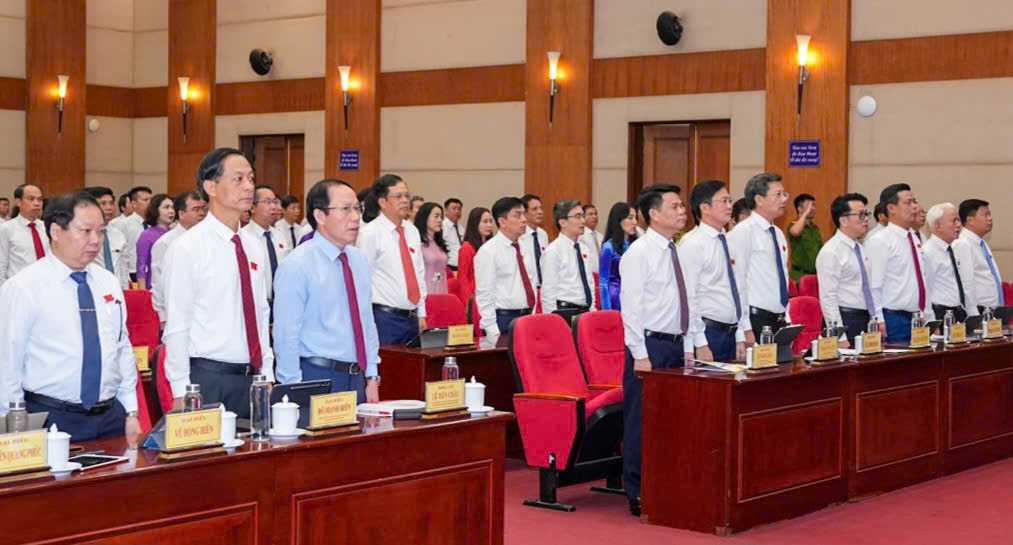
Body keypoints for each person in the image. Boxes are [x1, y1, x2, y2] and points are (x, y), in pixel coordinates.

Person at [0, 191, 140, 442]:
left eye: (100, 231)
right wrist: (15, 427)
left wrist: (131, 410)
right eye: (85, 231)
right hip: (51, 417)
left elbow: (121, 346)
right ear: (56, 231)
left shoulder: (107, 282)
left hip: (111, 416)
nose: (95, 240)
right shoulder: (24, 287)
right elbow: (7, 363)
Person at [163, 148, 274, 417]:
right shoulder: (187, 247)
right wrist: (180, 389)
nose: (248, 187)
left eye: (251, 178)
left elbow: (261, 312)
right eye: (238, 179)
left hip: (252, 377)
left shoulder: (253, 245)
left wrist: (267, 371)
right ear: (211, 187)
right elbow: (177, 325)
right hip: (207, 378)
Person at [274, 180, 381, 403]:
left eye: (357, 208)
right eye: (345, 209)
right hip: (316, 376)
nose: (355, 217)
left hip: (356, 377)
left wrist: (372, 375)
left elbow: (366, 321)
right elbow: (286, 334)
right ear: (320, 216)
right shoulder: (297, 264)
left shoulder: (358, 260)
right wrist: (292, 389)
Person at [619, 184, 690, 517]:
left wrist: (689, 343)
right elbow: (631, 309)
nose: (682, 211)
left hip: (675, 343)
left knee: (672, 419)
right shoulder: (639, 253)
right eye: (674, 206)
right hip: (649, 346)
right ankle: (637, 489)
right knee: (641, 420)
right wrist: (640, 354)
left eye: (682, 206)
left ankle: (666, 482)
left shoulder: (677, 249)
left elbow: (685, 301)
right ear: (654, 214)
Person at [680, 181, 748, 362]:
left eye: (730, 201)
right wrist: (700, 342)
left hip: (731, 332)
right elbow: (689, 298)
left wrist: (740, 334)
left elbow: (738, 290)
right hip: (709, 333)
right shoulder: (692, 244)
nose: (730, 206)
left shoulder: (728, 240)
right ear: (705, 207)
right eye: (724, 201)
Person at [356, 174, 427, 345]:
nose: (405, 201)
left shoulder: (412, 231)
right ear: (382, 202)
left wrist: (421, 313)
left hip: (412, 318)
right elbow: (361, 280)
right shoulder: (369, 233)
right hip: (384, 319)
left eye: (407, 195)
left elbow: (418, 274)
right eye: (398, 196)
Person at [865, 183, 934, 343]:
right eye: (908, 203)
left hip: (918, 318)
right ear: (891, 208)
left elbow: (922, 280)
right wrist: (878, 319)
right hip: (893, 319)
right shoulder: (880, 240)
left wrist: (928, 315)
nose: (915, 207)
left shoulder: (914, 237)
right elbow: (873, 286)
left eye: (914, 201)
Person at [727, 173, 792, 338]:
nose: (784, 199)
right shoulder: (743, 232)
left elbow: (783, 277)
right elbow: (738, 281)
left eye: (784, 194)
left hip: (780, 319)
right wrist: (745, 328)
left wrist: (787, 318)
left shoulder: (778, 233)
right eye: (778, 194)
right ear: (759, 199)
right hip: (756, 319)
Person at [815, 193, 883, 344]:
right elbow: (828, 297)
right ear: (843, 220)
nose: (866, 219)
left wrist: (876, 319)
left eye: (866, 214)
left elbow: (869, 288)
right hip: (844, 319)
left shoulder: (861, 249)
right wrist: (839, 336)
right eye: (861, 215)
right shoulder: (831, 251)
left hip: (864, 319)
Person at [474, 197, 538, 336]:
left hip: (527, 317)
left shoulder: (525, 247)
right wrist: (492, 330)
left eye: (524, 214)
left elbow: (532, 282)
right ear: (502, 222)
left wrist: (532, 314)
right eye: (517, 215)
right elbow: (485, 294)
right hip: (503, 319)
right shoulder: (488, 251)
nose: (524, 220)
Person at [151, 192, 206, 324]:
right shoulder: (166, 242)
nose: (201, 213)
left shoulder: (207, 239)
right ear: (181, 214)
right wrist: (163, 318)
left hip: (203, 311)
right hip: (176, 313)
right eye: (195, 209)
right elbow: (158, 283)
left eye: (202, 209)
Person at [242, 185, 290, 320]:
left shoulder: (279, 236)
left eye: (275, 202)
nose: (274, 207)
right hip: (255, 306)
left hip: (281, 305)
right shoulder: (242, 238)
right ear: (252, 207)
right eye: (268, 202)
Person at [923, 203, 976, 323]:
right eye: (953, 221)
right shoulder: (927, 252)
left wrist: (972, 314)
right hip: (940, 314)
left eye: (958, 220)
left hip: (959, 312)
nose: (958, 225)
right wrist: (930, 321)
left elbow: (965, 284)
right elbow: (925, 291)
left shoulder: (952, 249)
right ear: (938, 226)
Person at [540, 200, 596, 314]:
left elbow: (590, 283)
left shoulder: (584, 248)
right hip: (564, 310)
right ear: (563, 222)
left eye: (583, 216)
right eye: (578, 216)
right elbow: (548, 292)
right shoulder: (553, 251)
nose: (583, 221)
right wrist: (552, 320)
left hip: (585, 311)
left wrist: (592, 309)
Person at [954, 199, 1003, 313]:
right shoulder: (963, 244)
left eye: (990, 214)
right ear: (970, 220)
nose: (990, 218)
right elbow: (966, 283)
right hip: (978, 310)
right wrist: (974, 314)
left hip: (991, 308)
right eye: (985, 215)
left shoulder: (981, 242)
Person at [0, 183, 48, 285]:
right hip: (18, 288)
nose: (37, 203)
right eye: (31, 199)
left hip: (45, 285)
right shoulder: (6, 229)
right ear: (18, 202)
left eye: (40, 199)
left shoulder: (46, 227)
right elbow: (1, 264)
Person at [84, 186, 130, 288]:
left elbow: (123, 268)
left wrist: (124, 290)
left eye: (111, 203)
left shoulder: (118, 235)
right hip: (92, 287)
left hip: (116, 289)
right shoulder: (83, 235)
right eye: (103, 203)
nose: (109, 208)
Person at [598, 202, 638, 310]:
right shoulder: (608, 247)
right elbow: (603, 282)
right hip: (615, 298)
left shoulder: (636, 245)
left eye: (635, 218)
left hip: (633, 297)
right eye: (630, 218)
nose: (635, 222)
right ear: (618, 220)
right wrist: (607, 310)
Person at [135, 193, 175, 290]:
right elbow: (141, 266)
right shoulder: (146, 235)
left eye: (172, 207)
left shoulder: (175, 233)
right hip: (153, 287)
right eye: (166, 207)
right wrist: (143, 291)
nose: (171, 211)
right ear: (155, 210)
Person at [457, 207, 494, 305]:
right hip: (474, 296)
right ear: (475, 223)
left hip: (491, 295)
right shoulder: (467, 247)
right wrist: (468, 303)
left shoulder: (492, 246)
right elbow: (462, 278)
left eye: (490, 221)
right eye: (485, 221)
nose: (489, 225)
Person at [116, 186, 152, 284]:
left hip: (151, 272)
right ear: (134, 204)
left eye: (151, 200)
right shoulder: (124, 224)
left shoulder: (153, 224)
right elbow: (120, 253)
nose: (150, 203)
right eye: (145, 200)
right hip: (132, 273)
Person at [414, 202, 450, 295]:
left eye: (441, 217)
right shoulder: (417, 243)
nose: (440, 220)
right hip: (424, 294)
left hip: (442, 293)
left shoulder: (439, 243)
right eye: (436, 216)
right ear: (425, 217)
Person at [787, 193, 823, 281]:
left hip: (816, 275)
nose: (813, 208)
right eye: (809, 206)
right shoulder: (793, 225)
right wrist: (805, 214)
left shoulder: (815, 228)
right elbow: (795, 232)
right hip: (799, 276)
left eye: (813, 205)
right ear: (799, 208)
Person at [520, 194, 549, 288]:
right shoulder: (519, 235)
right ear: (524, 213)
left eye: (541, 208)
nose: (540, 212)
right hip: (526, 287)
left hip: (543, 288)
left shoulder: (543, 234)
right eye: (534, 209)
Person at [579, 203, 603, 274]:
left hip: (601, 274)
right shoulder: (580, 236)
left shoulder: (601, 236)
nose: (594, 216)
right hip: (588, 274)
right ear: (583, 217)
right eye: (590, 214)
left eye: (596, 214)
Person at [442, 198, 464, 271]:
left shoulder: (462, 229)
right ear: (446, 210)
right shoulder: (442, 227)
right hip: (448, 267)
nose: (457, 211)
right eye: (454, 208)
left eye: (459, 209)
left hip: (461, 267)